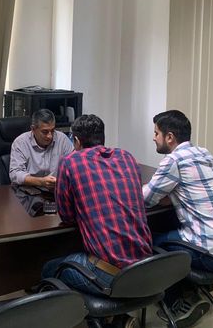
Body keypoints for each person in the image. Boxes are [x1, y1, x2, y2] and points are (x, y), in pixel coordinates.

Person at [143, 110, 213, 327]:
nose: (153, 138)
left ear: (170, 137)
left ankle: (177, 304)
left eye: (156, 133)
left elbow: (147, 199)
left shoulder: (173, 161)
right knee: (170, 227)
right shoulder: (204, 153)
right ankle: (192, 290)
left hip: (212, 255)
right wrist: (171, 194)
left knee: (148, 243)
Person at [42, 114, 153, 302]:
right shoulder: (127, 157)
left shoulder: (70, 162)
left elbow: (67, 216)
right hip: (146, 267)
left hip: (111, 275)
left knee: (49, 269)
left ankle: (98, 313)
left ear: (77, 141)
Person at [9, 108, 74, 189]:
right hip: (29, 191)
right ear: (33, 129)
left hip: (55, 191)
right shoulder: (21, 142)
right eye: (45, 132)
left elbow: (73, 165)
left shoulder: (62, 139)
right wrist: (40, 182)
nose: (50, 136)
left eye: (52, 130)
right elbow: (15, 174)